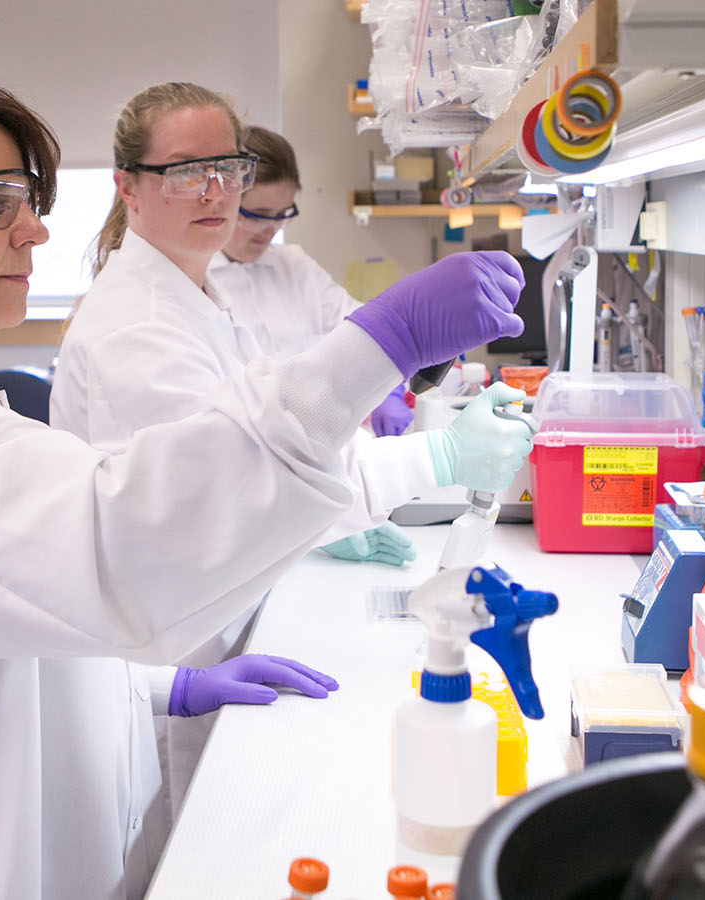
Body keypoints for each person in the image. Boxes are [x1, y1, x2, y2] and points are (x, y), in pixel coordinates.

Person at [0, 67, 526, 900]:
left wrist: (164, 689)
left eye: (29, 200)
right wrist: (385, 340)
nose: (33, 234)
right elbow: (128, 542)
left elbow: (12, 607)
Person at [50, 81, 535, 831]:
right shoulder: (135, 328)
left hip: (220, 621)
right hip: (175, 657)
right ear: (127, 187)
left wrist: (416, 455)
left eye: (230, 167)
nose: (216, 190)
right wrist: (432, 453)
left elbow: (269, 457)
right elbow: (231, 495)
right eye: (185, 170)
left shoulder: (202, 293)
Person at [207, 125, 411, 437]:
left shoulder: (294, 265)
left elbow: (364, 327)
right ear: (226, 202)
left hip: (329, 452)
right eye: (257, 215)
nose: (270, 229)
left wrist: (390, 389)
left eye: (282, 213)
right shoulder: (199, 283)